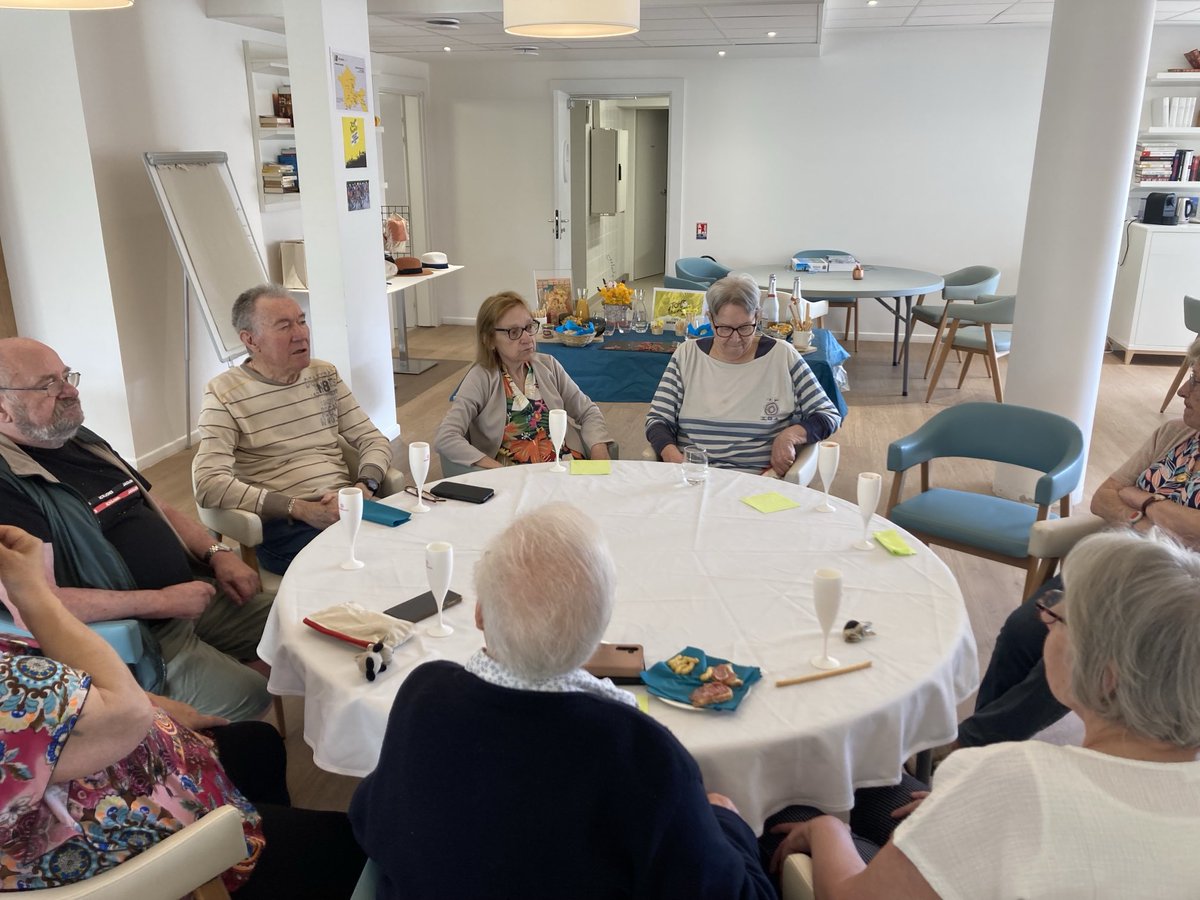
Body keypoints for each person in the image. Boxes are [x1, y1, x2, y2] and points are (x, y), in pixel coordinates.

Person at [349, 503, 774, 899]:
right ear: (597, 636)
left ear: (479, 615)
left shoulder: (423, 693)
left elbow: (371, 818)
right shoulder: (643, 753)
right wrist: (728, 823)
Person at [768, 529, 1200, 898]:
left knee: (788, 797)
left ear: (1107, 676)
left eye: (1060, 619)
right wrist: (962, 807)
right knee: (869, 776)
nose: (1046, 625)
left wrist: (828, 830)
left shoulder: (1014, 779)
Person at [0, 524, 365, 896]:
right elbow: (124, 714)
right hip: (114, 849)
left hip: (131, 767)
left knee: (258, 743)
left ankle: (251, 823)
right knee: (351, 846)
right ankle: (239, 866)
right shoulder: (13, 686)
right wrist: (32, 592)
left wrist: (155, 706)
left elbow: (86, 702)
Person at [0, 338, 270, 721]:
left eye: (66, 375)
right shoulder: (9, 484)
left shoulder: (79, 439)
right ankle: (182, 746)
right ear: (2, 408)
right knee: (250, 694)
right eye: (49, 384)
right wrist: (162, 601)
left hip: (194, 594)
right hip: (141, 634)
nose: (71, 390)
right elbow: (36, 606)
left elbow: (155, 505)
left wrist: (218, 553)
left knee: (295, 626)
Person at [955, 338, 1200, 749]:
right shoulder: (1172, 436)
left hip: (1175, 596)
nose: (1182, 390)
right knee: (1021, 629)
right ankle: (988, 743)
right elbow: (1106, 495)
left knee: (1076, 653)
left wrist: (1144, 500)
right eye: (1190, 378)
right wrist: (1160, 516)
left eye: (1197, 383)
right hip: (1113, 566)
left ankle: (971, 747)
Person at [194, 285, 393, 574]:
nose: (300, 334)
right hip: (286, 524)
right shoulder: (224, 394)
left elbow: (372, 439)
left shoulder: (323, 374)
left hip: (346, 505)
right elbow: (208, 484)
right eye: (284, 326)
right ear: (250, 340)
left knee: (413, 548)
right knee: (367, 568)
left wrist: (363, 487)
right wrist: (300, 508)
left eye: (301, 321)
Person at [645, 273, 841, 475]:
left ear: (757, 317)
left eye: (745, 327)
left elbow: (828, 415)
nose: (735, 339)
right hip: (693, 476)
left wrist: (789, 436)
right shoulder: (687, 354)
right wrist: (674, 459)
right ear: (711, 320)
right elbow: (658, 420)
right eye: (725, 328)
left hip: (758, 480)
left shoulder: (782, 355)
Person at [434, 291, 612, 469]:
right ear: (489, 340)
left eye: (528, 327)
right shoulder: (481, 378)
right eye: (514, 332)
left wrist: (599, 452)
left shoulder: (548, 365)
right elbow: (446, 436)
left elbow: (587, 412)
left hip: (566, 469)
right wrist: (494, 469)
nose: (527, 338)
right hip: (516, 481)